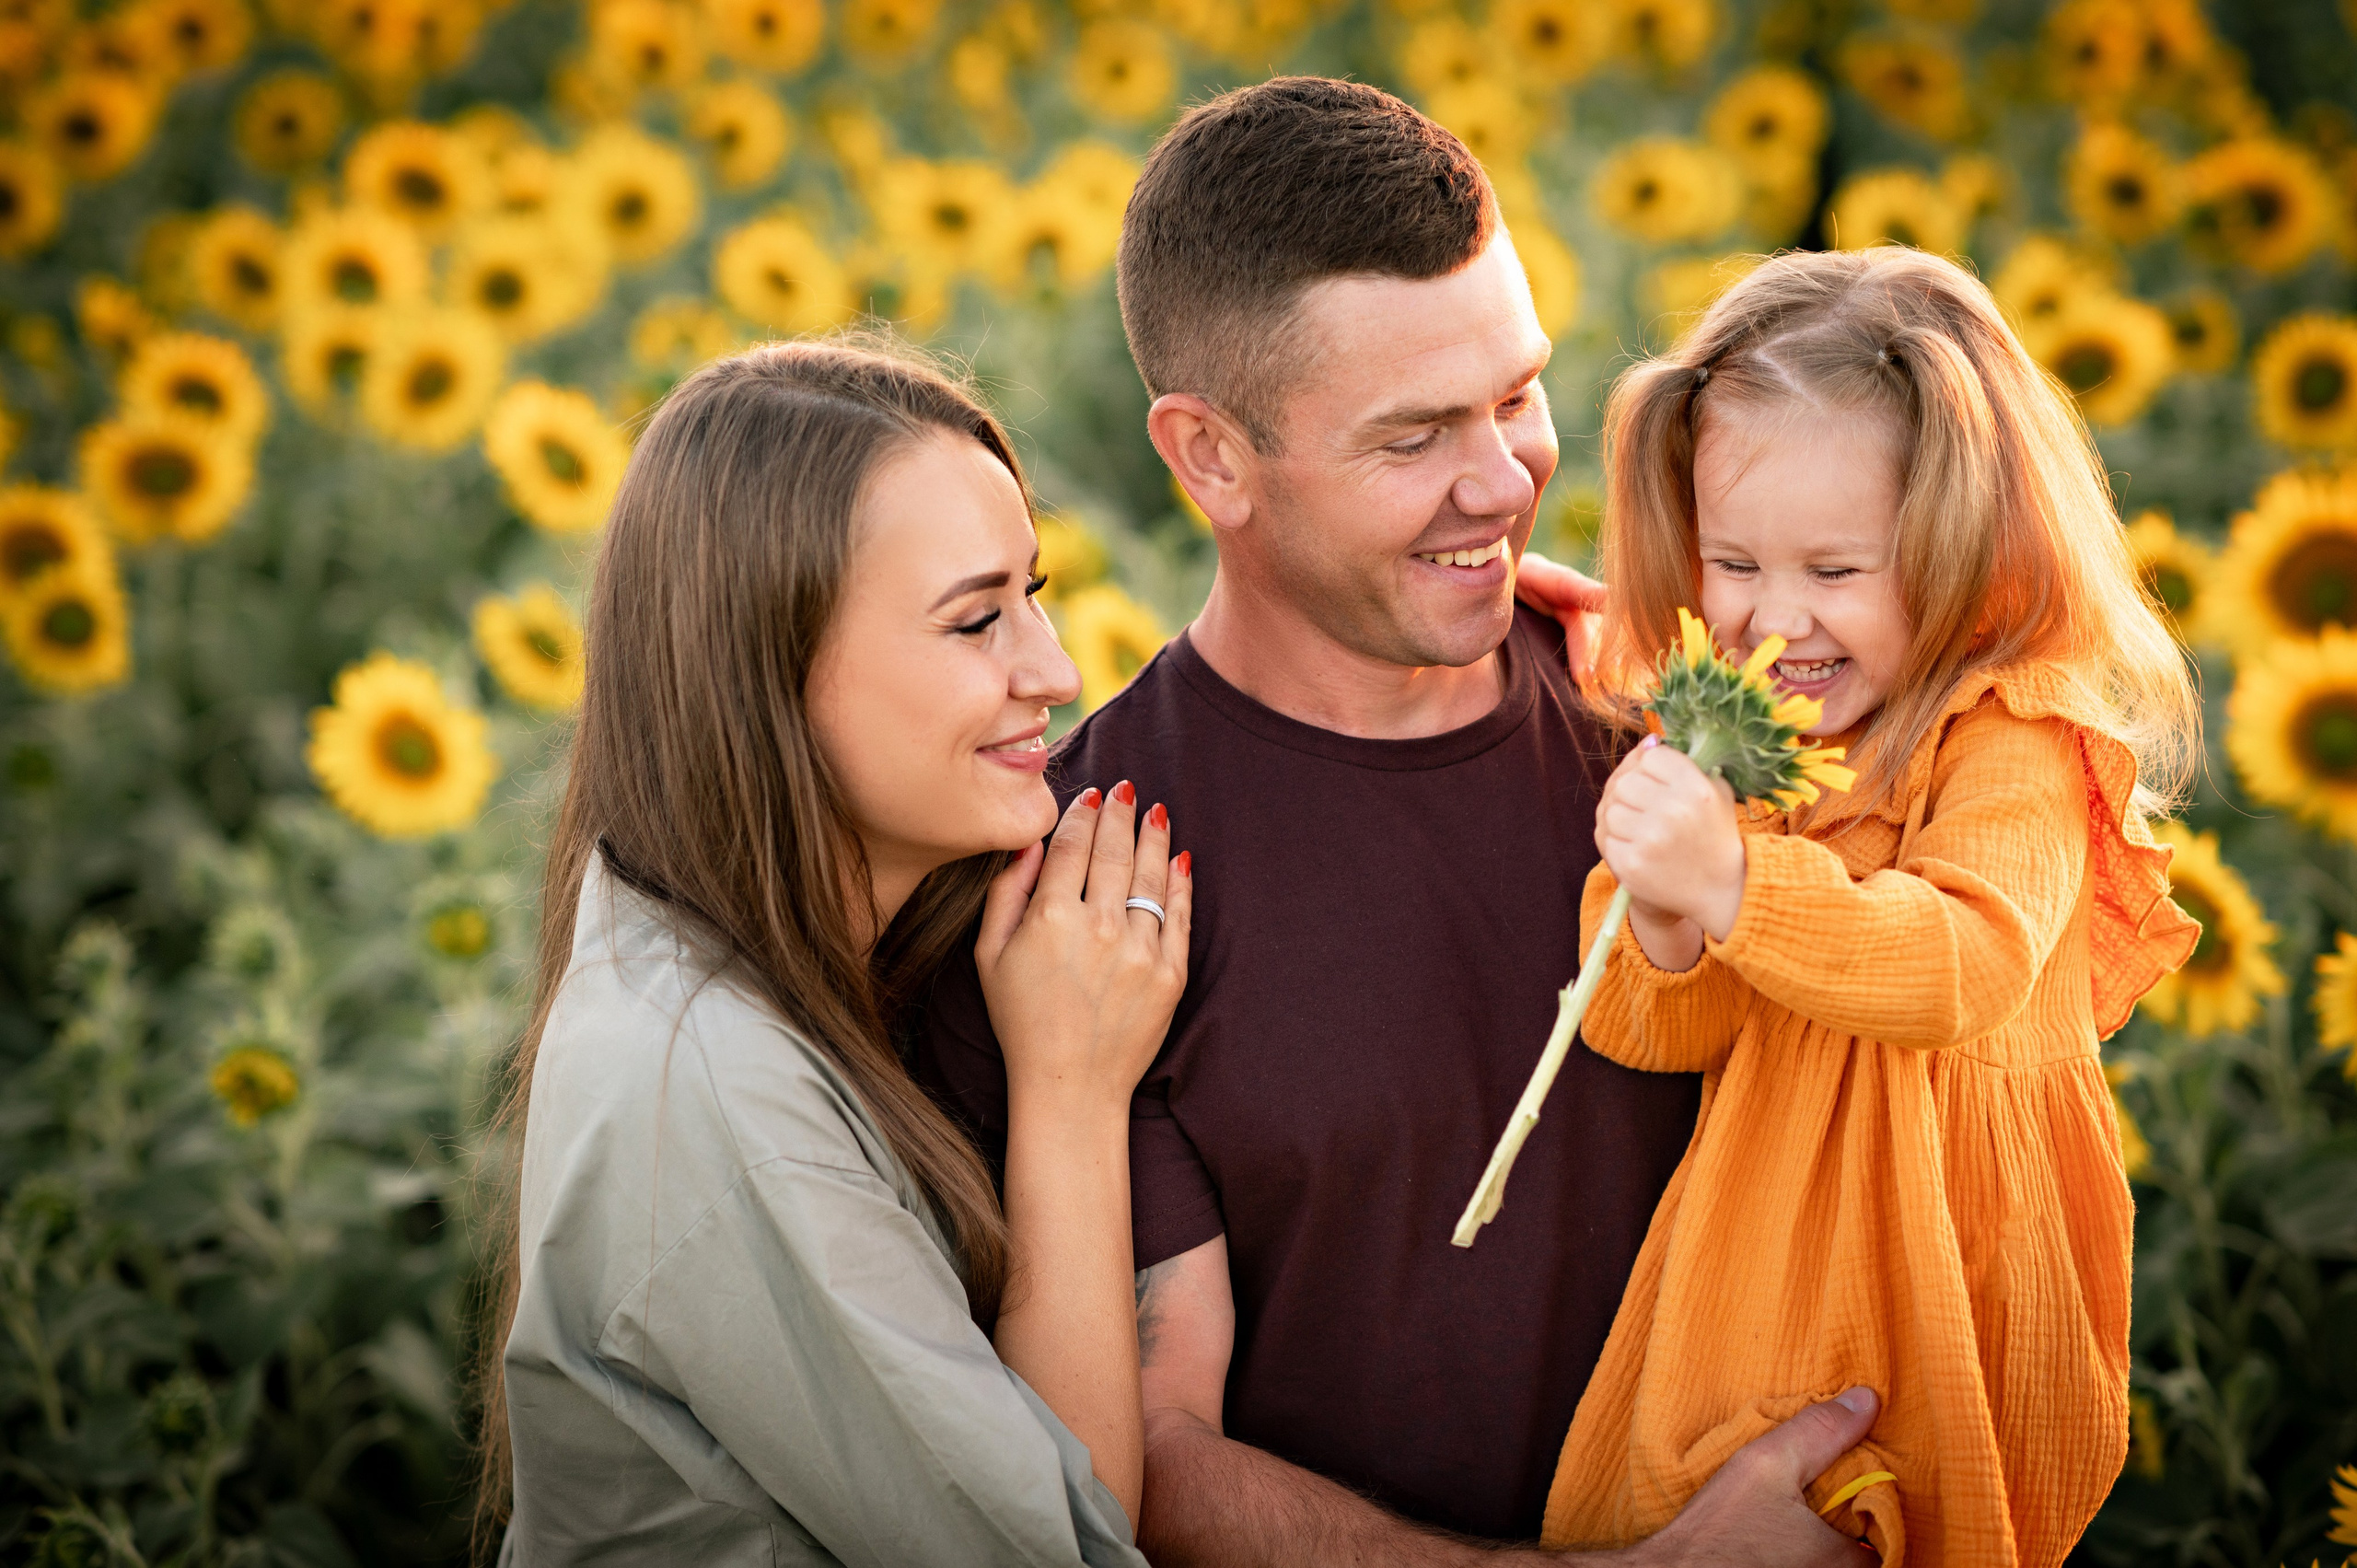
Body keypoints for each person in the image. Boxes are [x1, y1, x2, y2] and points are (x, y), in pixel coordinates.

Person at [916, 77, 1884, 1565]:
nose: (1503, 481)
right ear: (1210, 457)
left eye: (1516, 394)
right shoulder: (1086, 895)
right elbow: (1154, 1457)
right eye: (1415, 435)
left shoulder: (1696, 711)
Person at [478, 340, 1194, 1565]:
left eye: (1036, 592)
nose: (1056, 669)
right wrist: (1071, 1098)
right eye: (976, 621)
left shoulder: (731, 933)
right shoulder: (706, 1086)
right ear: (766, 671)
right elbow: (1056, 1554)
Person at [1540, 247, 2200, 1565]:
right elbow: (1647, 1033)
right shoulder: (1756, 749)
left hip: (1943, 1280)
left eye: (1837, 574)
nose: (1774, 622)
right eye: (1733, 563)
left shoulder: (2013, 740)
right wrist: (1665, 914)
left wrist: (1731, 881)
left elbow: (1963, 963)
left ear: (1969, 553)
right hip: (1759, 1267)